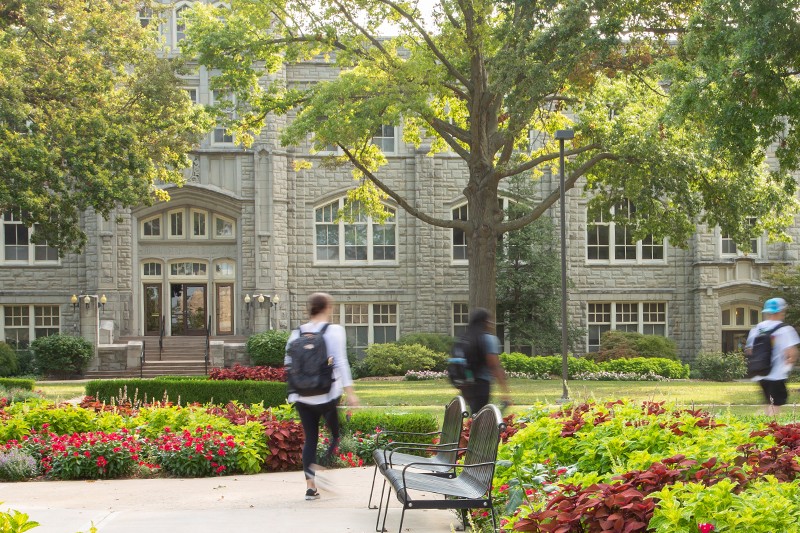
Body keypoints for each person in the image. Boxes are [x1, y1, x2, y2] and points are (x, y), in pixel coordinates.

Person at [284, 292, 359, 500]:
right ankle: (323, 464)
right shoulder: (334, 331)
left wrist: (297, 387)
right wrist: (350, 392)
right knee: (335, 434)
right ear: (327, 308)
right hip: (327, 394)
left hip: (302, 396)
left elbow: (288, 364)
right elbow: (341, 362)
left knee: (311, 438)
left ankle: (310, 487)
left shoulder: (296, 333)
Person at [745, 297, 799, 416]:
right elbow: (792, 354)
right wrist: (788, 365)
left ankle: (764, 424)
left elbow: (749, 350)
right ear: (781, 311)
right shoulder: (785, 329)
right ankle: (770, 429)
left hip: (760, 373)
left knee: (769, 402)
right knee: (775, 404)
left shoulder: (758, 328)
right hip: (777, 374)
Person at [457, 308, 511, 414]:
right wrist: (505, 391)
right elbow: (494, 366)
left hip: (466, 385)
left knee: (475, 414)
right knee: (480, 418)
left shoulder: (465, 338)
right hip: (482, 384)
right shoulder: (489, 339)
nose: (491, 324)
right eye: (489, 321)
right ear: (484, 322)